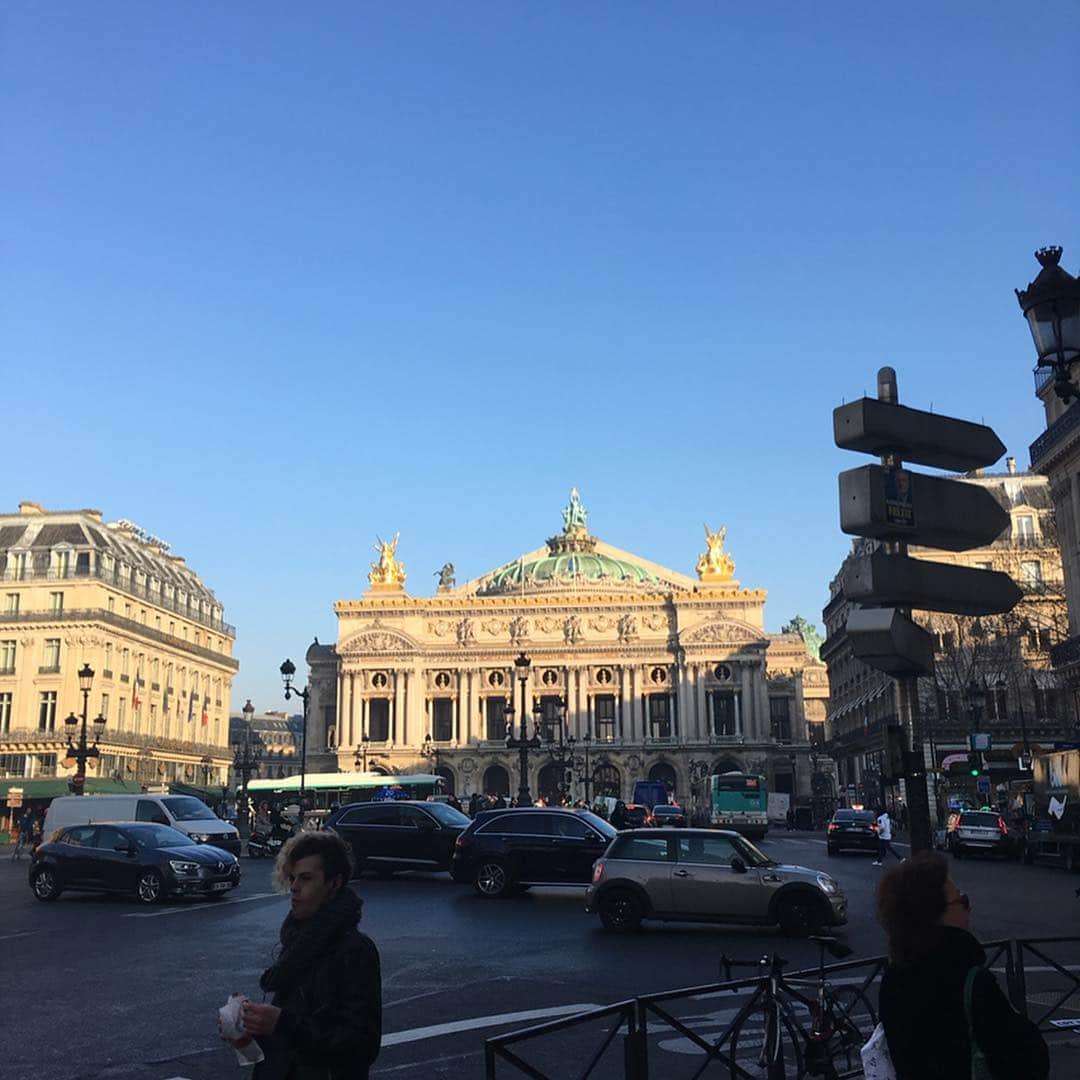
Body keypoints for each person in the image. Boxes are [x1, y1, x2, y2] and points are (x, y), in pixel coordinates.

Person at [876, 852, 1048, 1079]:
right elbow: (1030, 1061)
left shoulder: (892, 980)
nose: (969, 909)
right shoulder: (970, 980)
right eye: (962, 900)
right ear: (936, 914)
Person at [228, 830, 382, 1079]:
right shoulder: (298, 941)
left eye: (306, 878)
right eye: (292, 878)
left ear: (335, 883)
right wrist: (250, 1031)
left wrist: (281, 1023)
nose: (295, 888)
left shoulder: (354, 950)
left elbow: (361, 1045)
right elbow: (289, 1035)